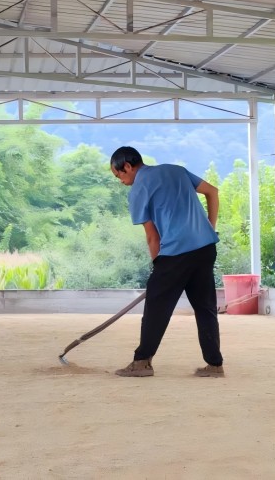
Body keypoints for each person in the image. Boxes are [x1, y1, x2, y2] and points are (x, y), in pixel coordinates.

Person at [109, 146, 224, 378]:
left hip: (175, 253)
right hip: (205, 248)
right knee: (205, 307)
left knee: (156, 306)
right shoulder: (177, 171)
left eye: (118, 174)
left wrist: (157, 268)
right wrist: (209, 228)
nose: (120, 181)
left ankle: (142, 362)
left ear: (128, 166)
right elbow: (212, 191)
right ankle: (214, 365)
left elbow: (152, 237)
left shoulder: (139, 190)